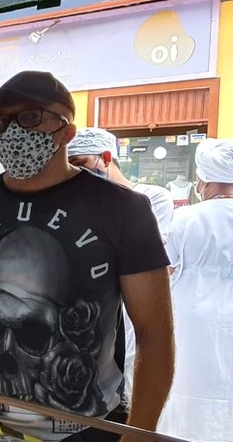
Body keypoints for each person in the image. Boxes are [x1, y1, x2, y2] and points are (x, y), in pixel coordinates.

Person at [0, 70, 174, 442]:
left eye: (30, 118)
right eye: (1, 122)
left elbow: (155, 335)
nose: (12, 131)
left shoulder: (122, 211)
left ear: (67, 131)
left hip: (89, 436)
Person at [66, 127, 173, 398]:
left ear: (105, 157)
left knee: (136, 378)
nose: (77, 174)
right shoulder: (79, 202)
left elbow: (142, 258)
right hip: (89, 310)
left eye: (80, 164)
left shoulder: (151, 198)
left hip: (133, 307)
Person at [157, 138, 233, 442]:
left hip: (194, 326)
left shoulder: (186, 218)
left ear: (210, 182)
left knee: (188, 410)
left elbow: (164, 270)